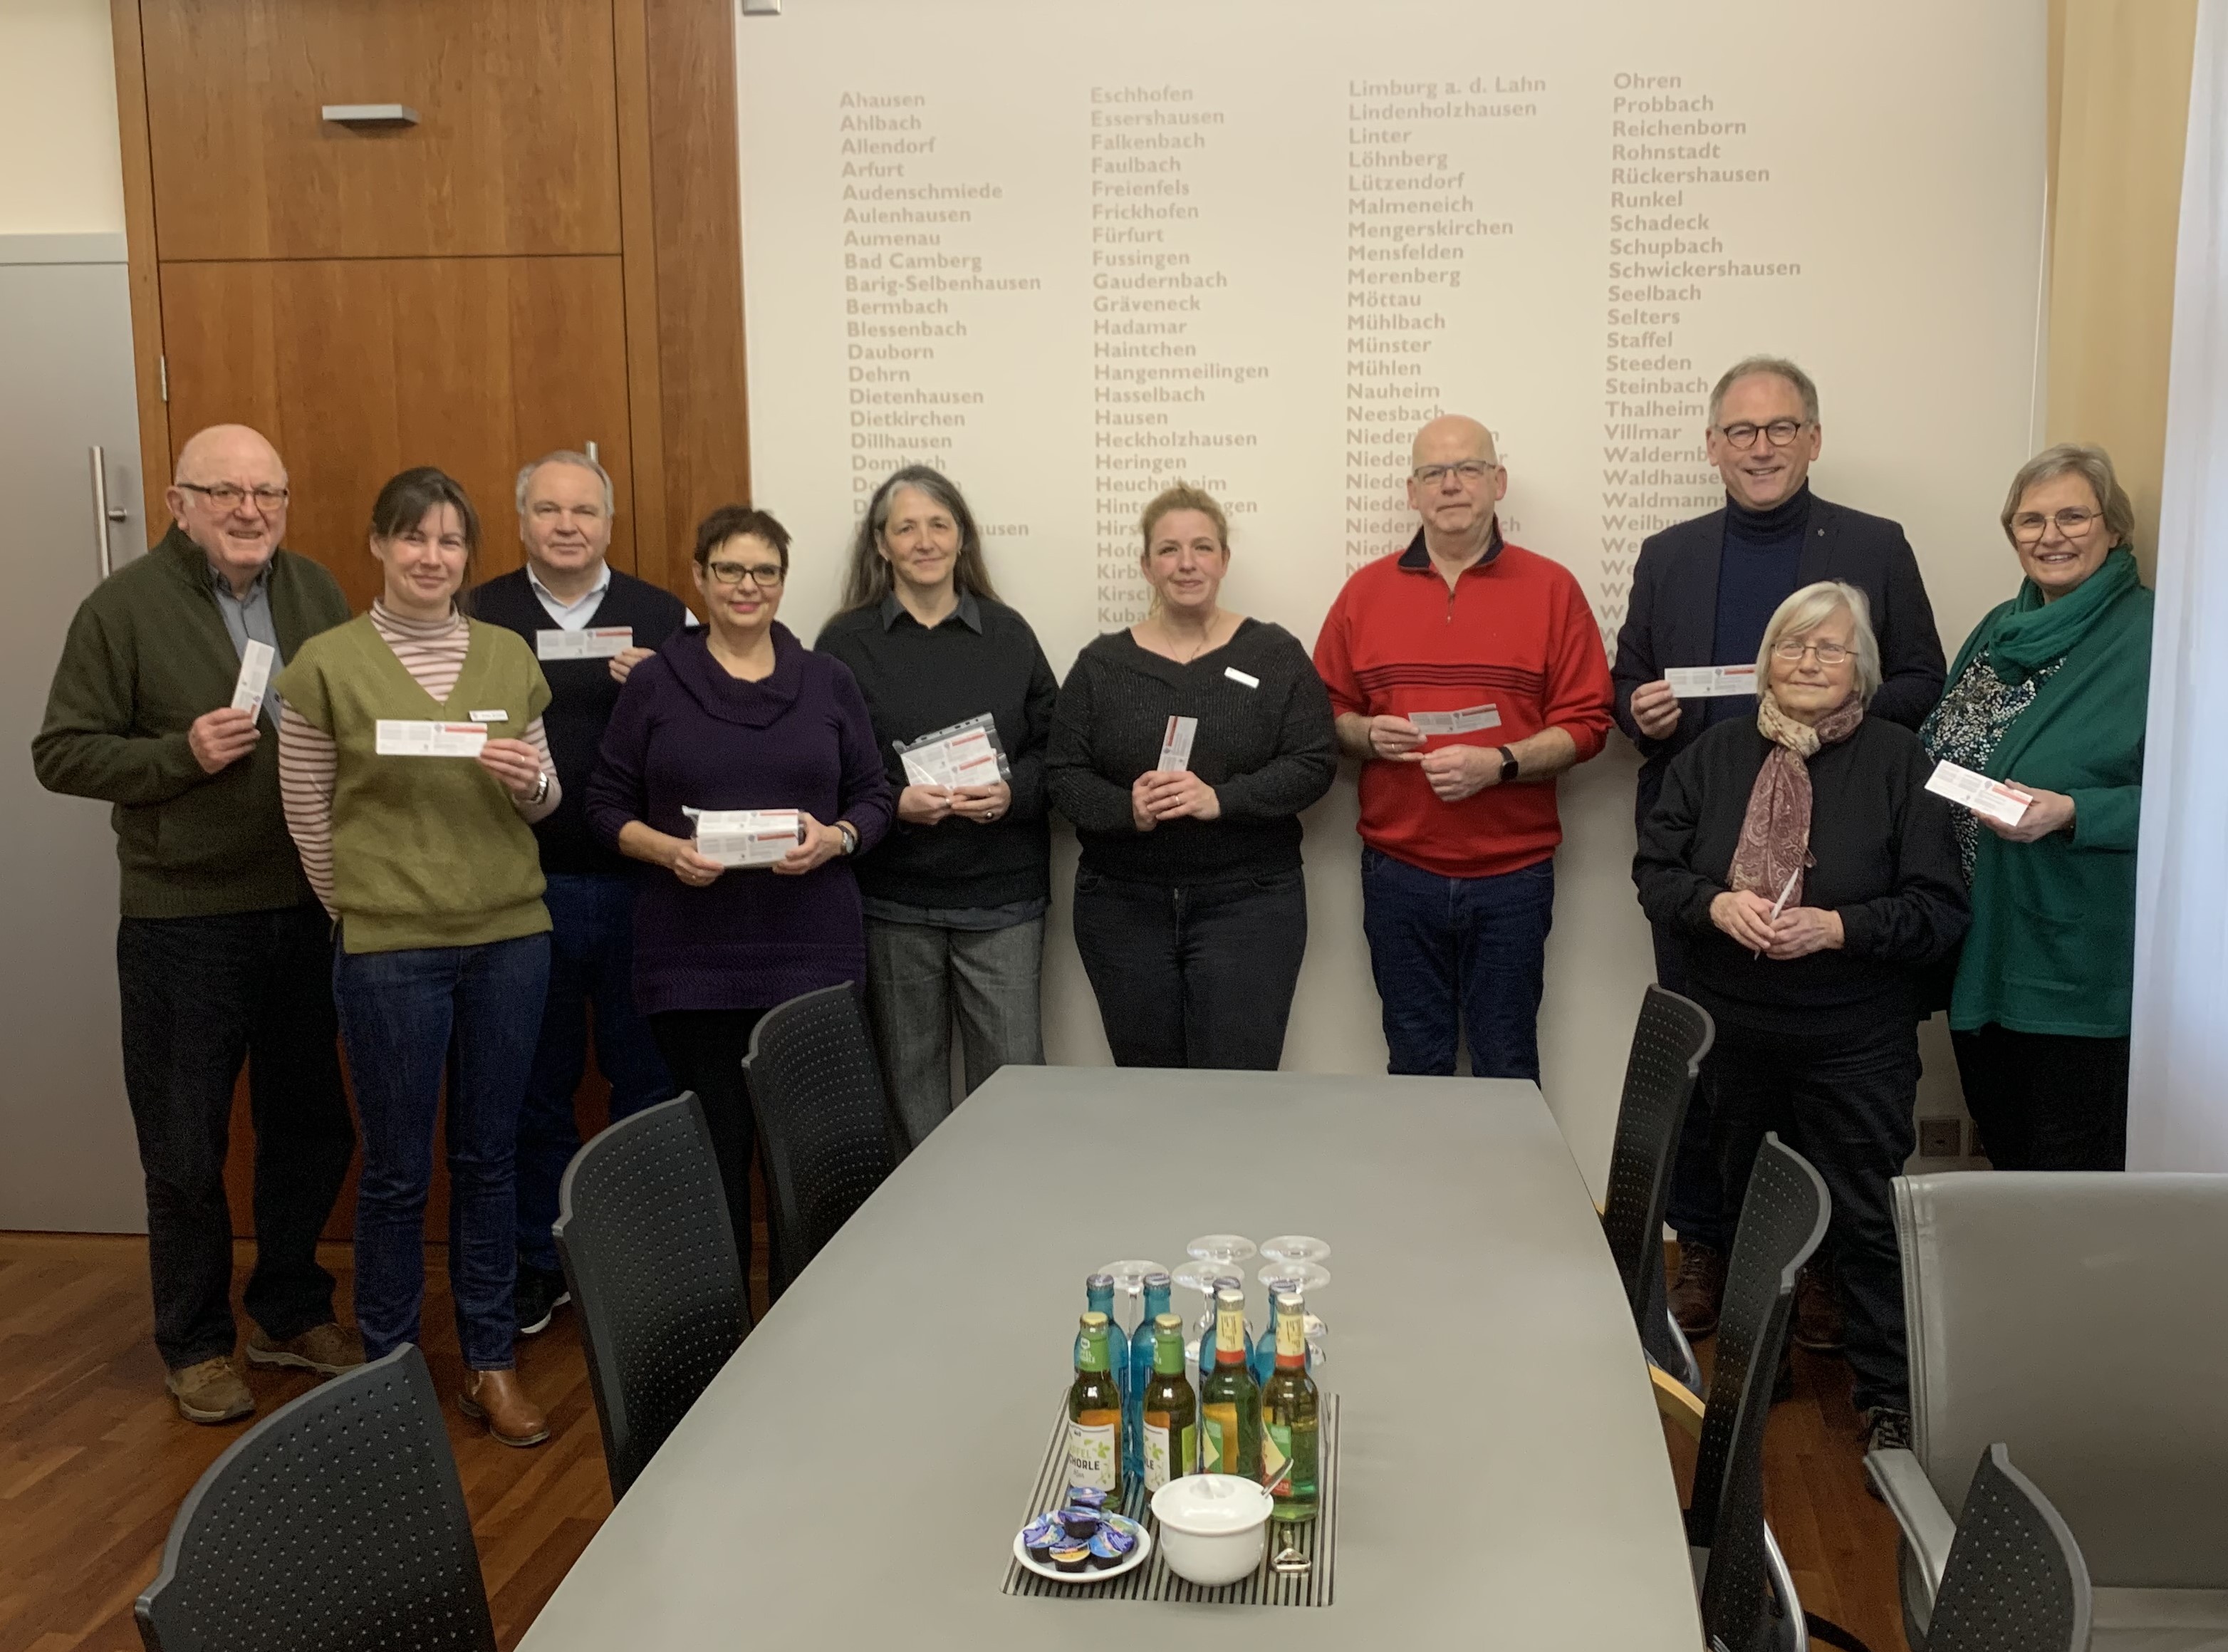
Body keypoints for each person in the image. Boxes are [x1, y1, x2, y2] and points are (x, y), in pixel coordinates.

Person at [1610, 355, 1947, 1342]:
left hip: (1845, 855)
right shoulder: (1669, 553)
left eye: (1780, 428)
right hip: (1709, 859)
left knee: (1838, 1098)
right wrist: (1646, 708)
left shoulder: (1876, 546)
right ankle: (1712, 1245)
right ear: (1713, 444)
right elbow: (1630, 686)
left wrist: (1819, 714)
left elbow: (1921, 677)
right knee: (1717, 1073)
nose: (1761, 447)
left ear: (1813, 437)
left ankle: (1833, 1273)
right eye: (1741, 431)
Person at [31, 423, 358, 1426]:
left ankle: (289, 1309)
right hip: (185, 918)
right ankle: (197, 1339)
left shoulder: (316, 593)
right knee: (184, 1143)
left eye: (268, 491)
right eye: (225, 492)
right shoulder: (121, 608)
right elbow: (62, 752)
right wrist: (178, 752)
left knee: (311, 1125)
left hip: (306, 905)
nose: (249, 509)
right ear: (179, 503)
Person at [1635, 581, 1967, 1457]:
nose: (1809, 662)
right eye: (1792, 645)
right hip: (1737, 1032)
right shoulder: (1709, 756)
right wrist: (1713, 907)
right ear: (1765, 664)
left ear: (1858, 668)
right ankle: (1754, 1374)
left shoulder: (1903, 762)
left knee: (1865, 1221)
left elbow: (1939, 910)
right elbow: (1656, 873)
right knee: (1749, 1213)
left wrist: (1838, 925)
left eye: (1829, 649)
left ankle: (1890, 1400)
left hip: (1854, 1038)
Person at [275, 467, 559, 1449]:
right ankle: (389, 1375)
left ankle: (490, 1362)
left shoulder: (508, 653)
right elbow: (307, 812)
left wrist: (530, 784)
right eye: (412, 539)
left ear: (467, 557)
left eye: (448, 542)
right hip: (390, 947)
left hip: (509, 937)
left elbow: (546, 794)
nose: (431, 558)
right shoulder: (325, 663)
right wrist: (362, 908)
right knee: (397, 1169)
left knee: (489, 1157)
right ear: (377, 545)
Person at [585, 505, 892, 1283]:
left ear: (782, 584)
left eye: (764, 572)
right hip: (693, 959)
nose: (746, 586)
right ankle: (722, 1342)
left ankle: (804, 1331)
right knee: (714, 1153)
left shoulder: (827, 680)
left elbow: (874, 794)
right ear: (700, 578)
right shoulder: (656, 682)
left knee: (807, 1162)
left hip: (808, 956)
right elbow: (602, 805)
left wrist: (836, 839)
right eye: (729, 570)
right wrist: (663, 851)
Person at [1314, 415, 1614, 1081]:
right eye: (1434, 473)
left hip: (1513, 874)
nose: (1452, 485)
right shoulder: (1365, 592)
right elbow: (1323, 712)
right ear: (1412, 492)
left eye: (1469, 469)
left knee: (1506, 1062)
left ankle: (1508, 1191)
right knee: (1414, 1061)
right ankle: (1419, 1191)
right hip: (1399, 870)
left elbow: (1590, 721)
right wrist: (1365, 734)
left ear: (1497, 482)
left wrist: (1501, 763)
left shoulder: (1552, 589)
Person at [469, 450, 685, 1336]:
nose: (567, 525)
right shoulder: (481, 610)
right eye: (549, 511)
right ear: (521, 521)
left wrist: (667, 682)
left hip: (643, 885)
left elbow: (701, 727)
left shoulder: (661, 613)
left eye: (584, 511)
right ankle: (536, 1264)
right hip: (522, 887)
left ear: (608, 523)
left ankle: (636, 1265)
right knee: (532, 1087)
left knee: (644, 1084)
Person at [1046, 484, 1336, 1069]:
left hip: (1249, 905)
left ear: (1224, 560)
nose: (1187, 563)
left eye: (1202, 547)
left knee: (1237, 1090)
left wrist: (1222, 799)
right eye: (1170, 549)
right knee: (1148, 1090)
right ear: (1146, 565)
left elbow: (1314, 761)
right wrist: (1126, 808)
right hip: (1124, 907)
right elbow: (1063, 774)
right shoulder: (1102, 665)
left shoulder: (1274, 654)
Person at [1920, 444, 2151, 1170]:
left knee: (2067, 1174)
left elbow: (2201, 806)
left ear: (2112, 528)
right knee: (2008, 1154)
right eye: (2030, 520)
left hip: (2072, 963)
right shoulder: (1999, 630)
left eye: (2072, 516)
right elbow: (1936, 747)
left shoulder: (2155, 636)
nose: (2049, 536)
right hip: (1979, 946)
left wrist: (2075, 812)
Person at [815, 467, 1058, 1148]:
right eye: (906, 527)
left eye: (939, 524)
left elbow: (1058, 753)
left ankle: (1010, 1232)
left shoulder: (1009, 634)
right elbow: (820, 765)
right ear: (882, 545)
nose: (924, 541)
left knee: (1014, 1089)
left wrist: (1012, 795)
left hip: (1002, 899)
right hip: (893, 900)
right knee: (908, 1087)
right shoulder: (844, 642)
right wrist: (893, 803)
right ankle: (924, 1242)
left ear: (962, 539)